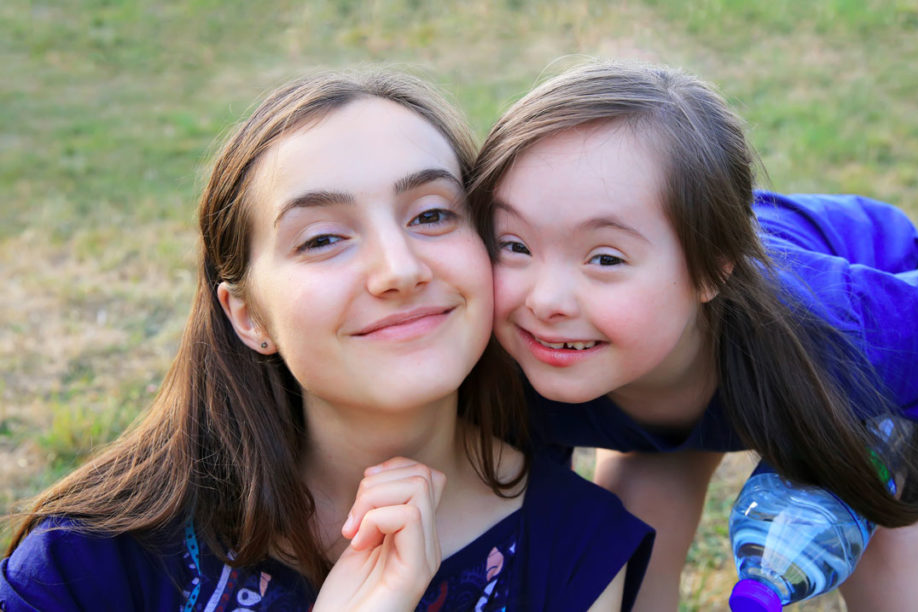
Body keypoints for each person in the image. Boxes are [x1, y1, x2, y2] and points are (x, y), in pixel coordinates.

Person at [0, 70, 654, 611]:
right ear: (248, 315)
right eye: (322, 239)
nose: (399, 269)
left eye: (431, 214)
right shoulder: (89, 561)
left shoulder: (576, 548)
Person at [466, 60, 918, 611]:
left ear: (711, 269)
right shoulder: (497, 361)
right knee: (632, 524)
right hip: (661, 376)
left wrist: (897, 470)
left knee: (884, 519)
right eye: (514, 244)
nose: (544, 300)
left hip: (834, 328)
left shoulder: (831, 329)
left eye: (605, 258)